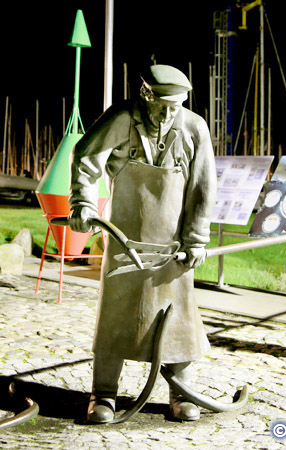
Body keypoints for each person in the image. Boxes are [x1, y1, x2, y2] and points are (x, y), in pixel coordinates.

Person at [68, 64, 216, 423]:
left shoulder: (194, 127)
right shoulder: (122, 118)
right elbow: (86, 157)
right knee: (115, 316)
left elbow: (203, 186)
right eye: (161, 105)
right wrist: (82, 203)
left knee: (178, 315)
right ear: (146, 96)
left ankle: (182, 392)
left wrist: (196, 239)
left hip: (173, 248)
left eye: (175, 107)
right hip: (124, 241)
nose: (167, 114)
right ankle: (103, 393)